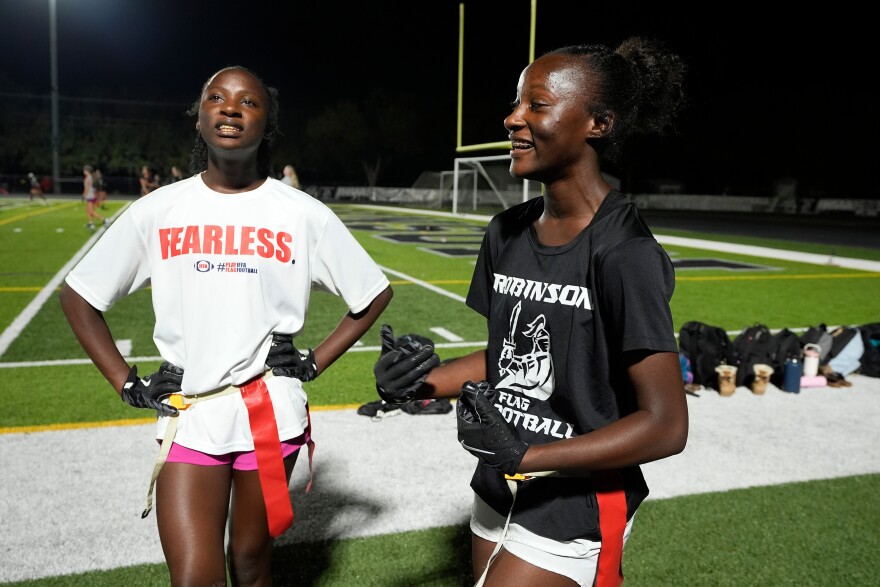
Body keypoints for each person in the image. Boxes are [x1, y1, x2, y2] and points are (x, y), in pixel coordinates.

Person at [373, 38, 689, 587]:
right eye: (517, 102)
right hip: (501, 480)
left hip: (578, 502)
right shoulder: (506, 232)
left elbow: (665, 425)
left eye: (536, 105)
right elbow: (506, 359)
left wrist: (531, 453)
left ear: (598, 123)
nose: (512, 118)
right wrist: (419, 384)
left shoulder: (625, 253)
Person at [59, 65, 393, 585]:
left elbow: (372, 293)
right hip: (191, 412)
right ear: (200, 119)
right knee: (195, 577)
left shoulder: (301, 213)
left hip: (269, 414)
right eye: (217, 98)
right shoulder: (161, 209)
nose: (231, 108)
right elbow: (79, 295)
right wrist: (126, 382)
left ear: (268, 124)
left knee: (251, 562)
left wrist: (313, 361)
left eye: (248, 102)